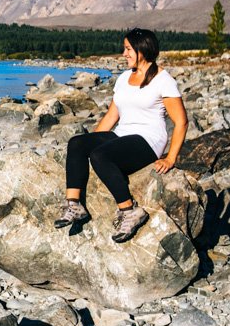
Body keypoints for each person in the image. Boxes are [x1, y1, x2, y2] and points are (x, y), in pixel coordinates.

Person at [54, 28, 188, 242]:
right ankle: (74, 205)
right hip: (122, 134)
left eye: (128, 49)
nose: (124, 54)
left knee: (101, 156)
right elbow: (111, 116)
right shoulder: (124, 78)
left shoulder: (164, 80)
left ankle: (129, 211)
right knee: (77, 142)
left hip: (148, 140)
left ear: (142, 49)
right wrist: (91, 143)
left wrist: (170, 157)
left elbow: (181, 121)